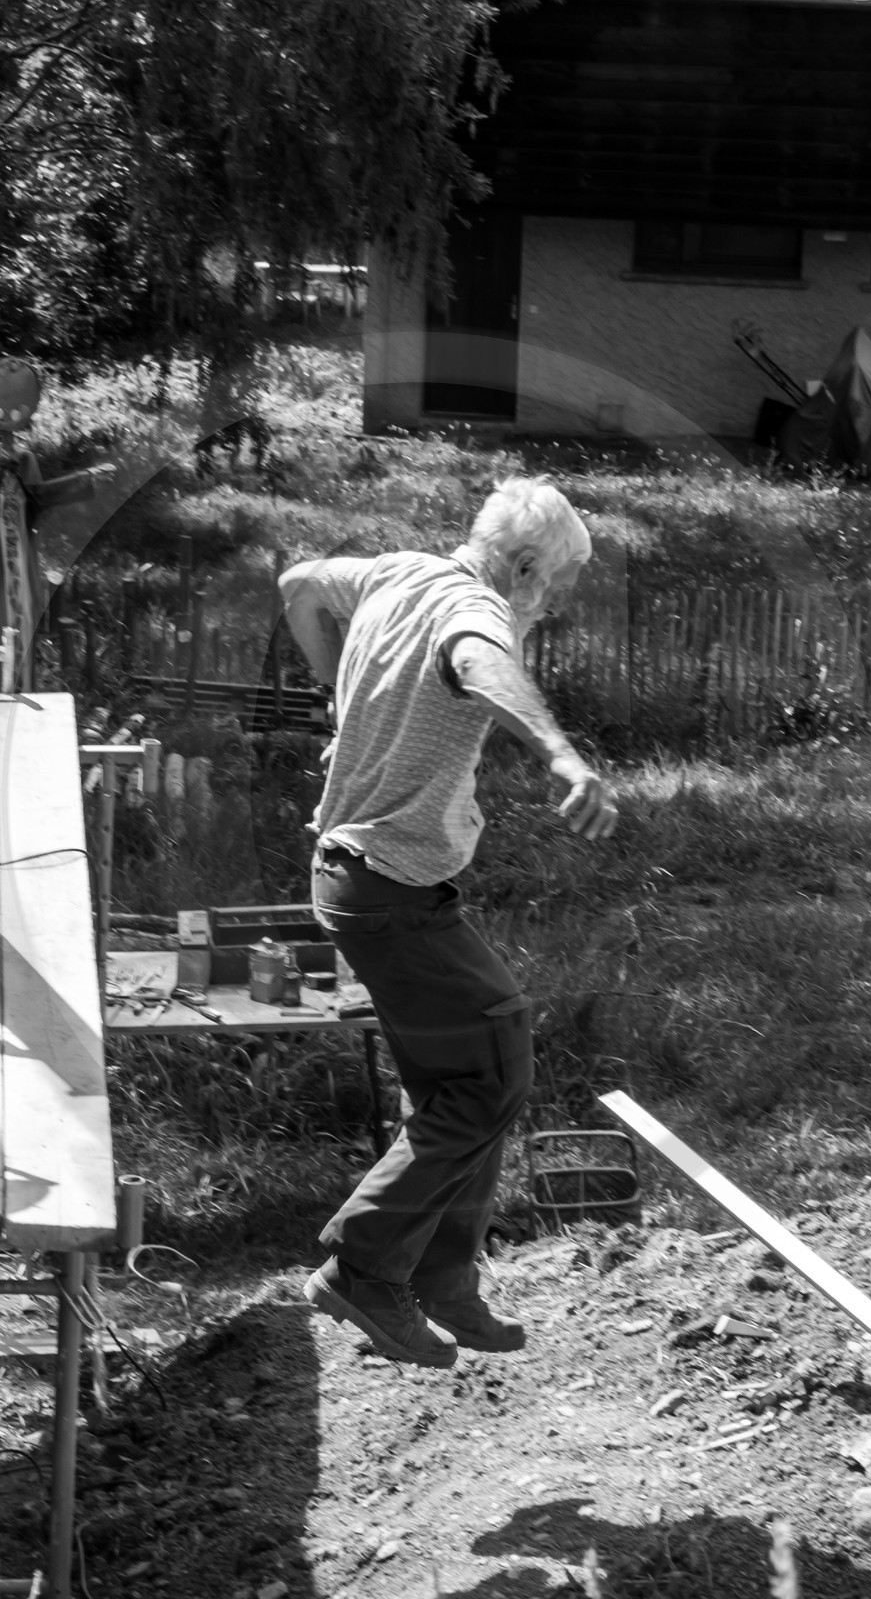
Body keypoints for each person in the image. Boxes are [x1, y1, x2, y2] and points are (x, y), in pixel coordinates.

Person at [278, 476, 618, 1369]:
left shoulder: (397, 574)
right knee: (496, 1058)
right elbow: (479, 661)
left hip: (363, 879)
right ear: (526, 564)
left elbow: (299, 583)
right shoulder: (476, 607)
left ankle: (445, 1278)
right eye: (556, 587)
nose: (553, 605)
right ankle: (362, 1268)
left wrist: (339, 700)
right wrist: (562, 753)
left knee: (453, 1087)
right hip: (387, 885)